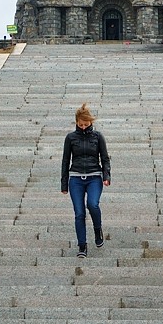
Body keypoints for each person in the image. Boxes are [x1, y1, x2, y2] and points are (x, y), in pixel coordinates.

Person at [61, 103, 111, 257]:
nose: (83, 127)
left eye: (86, 124)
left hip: (94, 176)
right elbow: (65, 160)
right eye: (80, 124)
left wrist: (106, 176)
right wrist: (64, 183)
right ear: (76, 122)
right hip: (76, 178)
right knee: (79, 213)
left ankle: (97, 229)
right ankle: (82, 246)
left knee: (92, 204)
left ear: (91, 122)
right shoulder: (70, 138)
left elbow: (105, 158)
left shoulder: (98, 137)